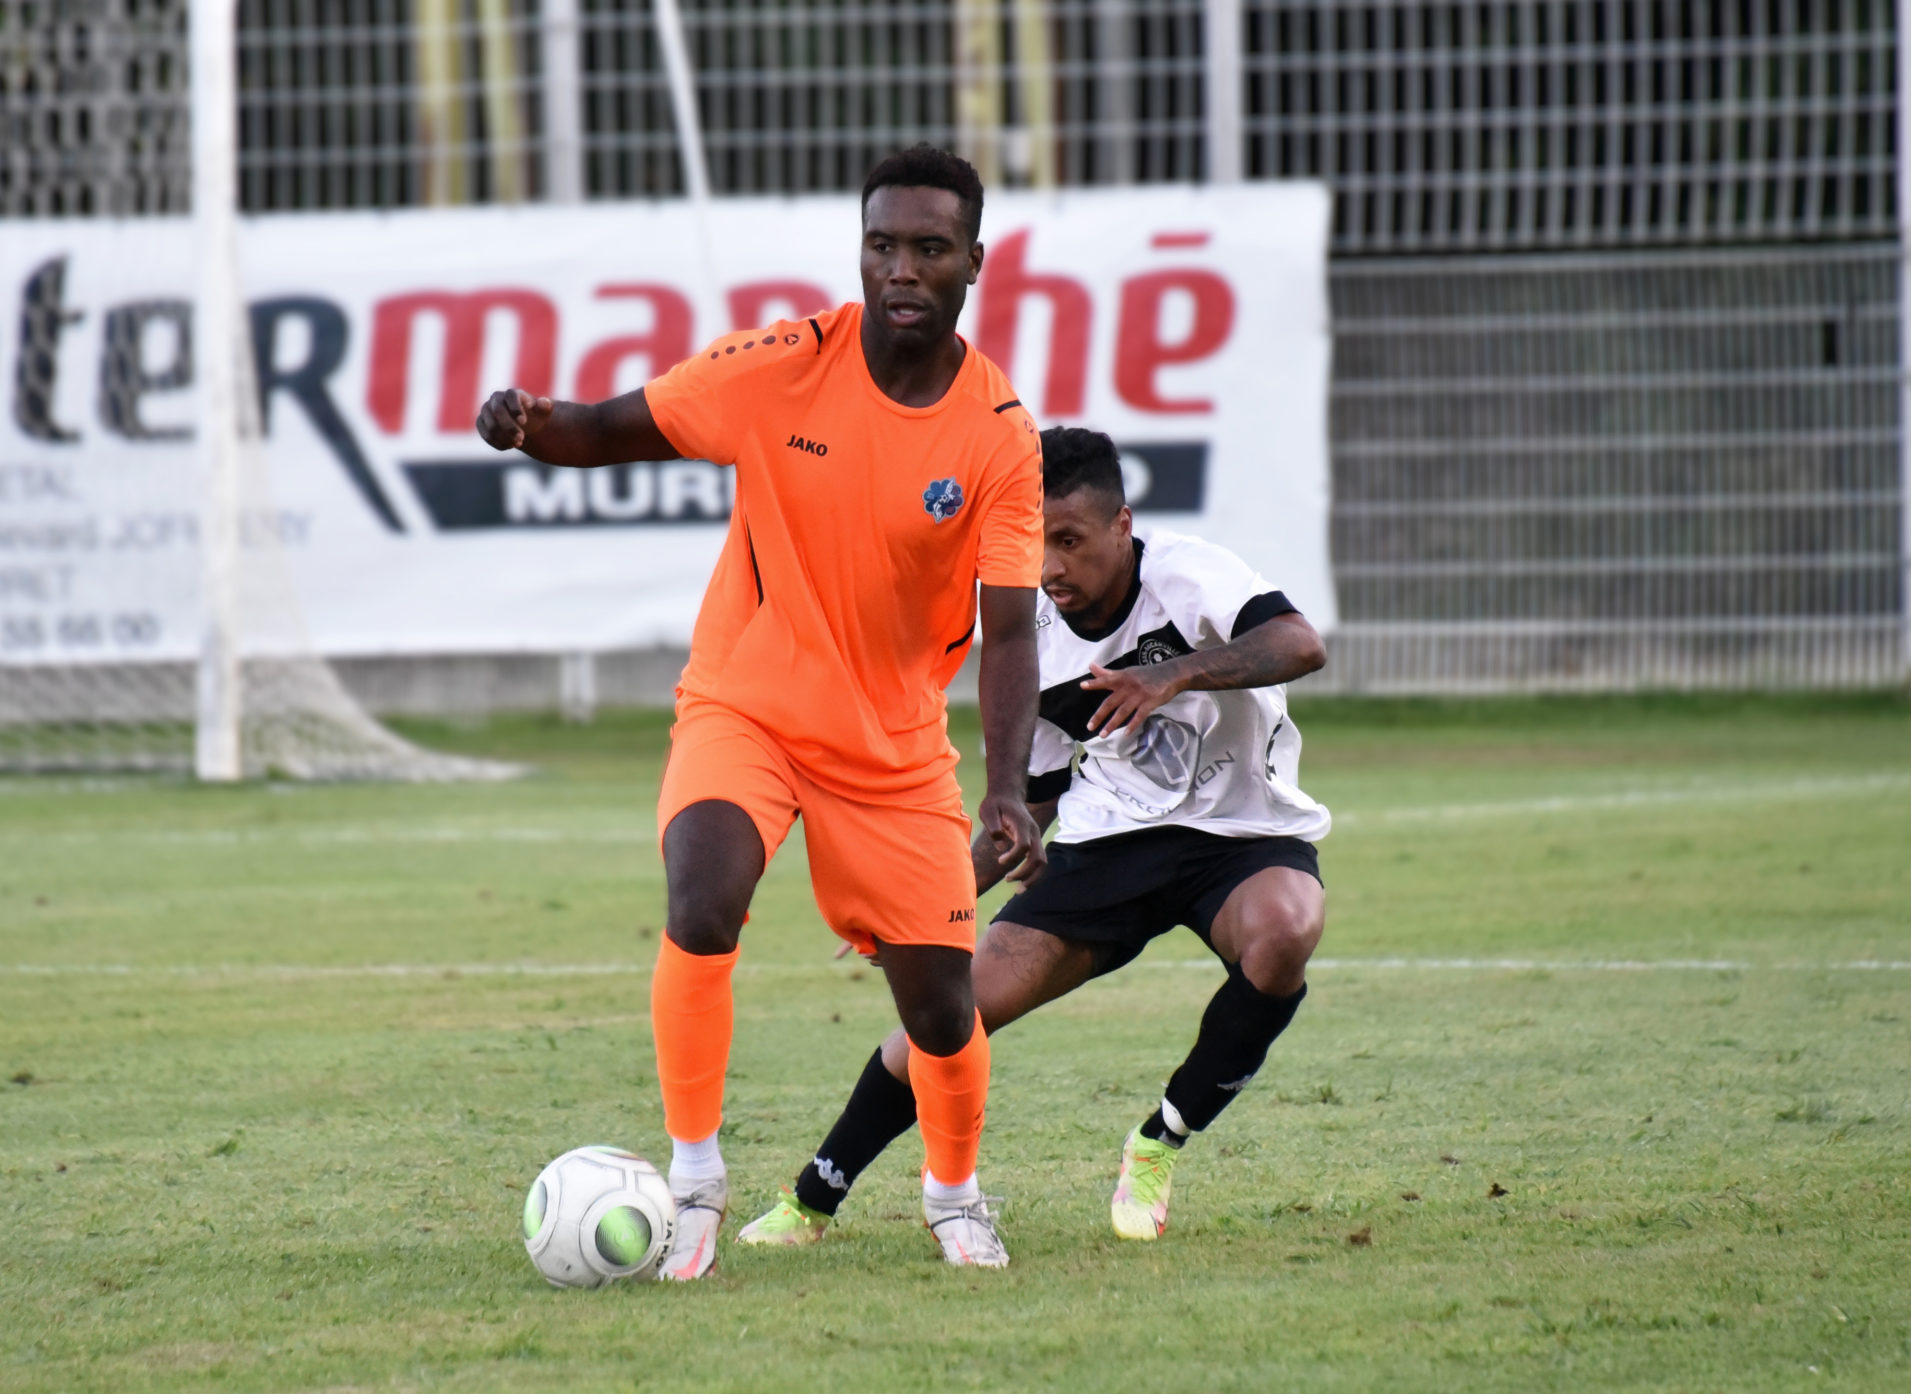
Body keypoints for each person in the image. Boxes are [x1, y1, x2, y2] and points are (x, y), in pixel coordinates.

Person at [474, 146, 1044, 1275]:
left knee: (941, 1008)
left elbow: (1013, 630)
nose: (901, 268)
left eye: (929, 248)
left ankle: (954, 1196)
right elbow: (609, 427)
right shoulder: (782, 366)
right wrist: (531, 423)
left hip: (890, 748)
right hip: (747, 705)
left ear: (974, 263)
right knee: (703, 901)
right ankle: (693, 1180)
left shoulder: (998, 434)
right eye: (882, 245)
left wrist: (1008, 789)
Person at [737, 426, 1330, 1246]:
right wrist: (926, 903)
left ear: (1122, 525)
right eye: (1034, 544)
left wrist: (1171, 673)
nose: (1050, 566)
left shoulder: (1186, 574)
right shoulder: (1035, 642)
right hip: (1109, 843)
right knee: (950, 1017)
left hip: (1242, 835)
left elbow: (1301, 643)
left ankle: (1159, 1141)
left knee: (1285, 932)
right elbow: (1032, 805)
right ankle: (812, 1200)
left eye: (1070, 541)